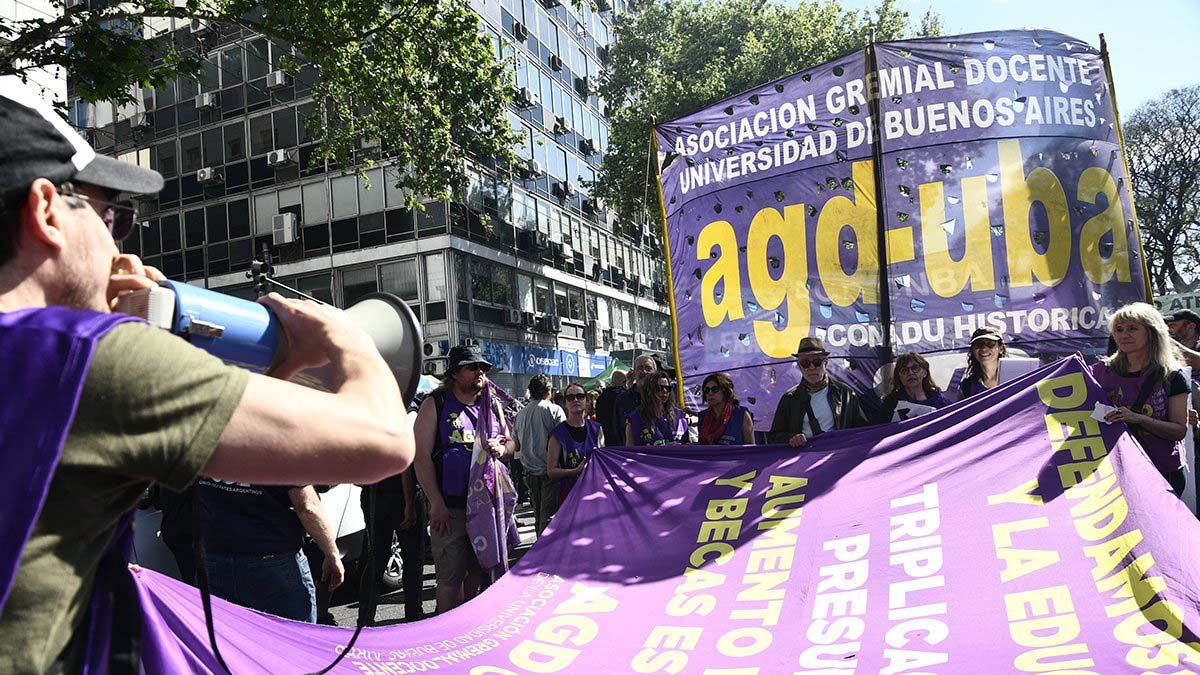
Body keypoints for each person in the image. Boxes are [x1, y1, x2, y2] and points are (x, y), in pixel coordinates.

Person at [0, 78, 414, 673]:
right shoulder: (84, 361)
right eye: (112, 217)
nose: (122, 248)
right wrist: (348, 339)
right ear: (46, 212)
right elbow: (385, 440)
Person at [412, 344, 515, 614]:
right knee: (449, 580)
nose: (480, 372)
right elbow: (420, 456)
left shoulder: (491, 402)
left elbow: (511, 442)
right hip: (450, 508)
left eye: (482, 367)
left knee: (477, 574)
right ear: (456, 373)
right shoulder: (436, 403)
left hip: (486, 507)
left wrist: (503, 448)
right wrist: (435, 503)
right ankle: (445, 637)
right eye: (472, 367)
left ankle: (469, 629)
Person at [196, 480, 343, 623]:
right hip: (273, 560)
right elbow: (307, 507)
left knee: (228, 641)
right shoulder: (283, 454)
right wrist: (332, 554)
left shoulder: (202, 453)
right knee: (293, 638)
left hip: (213, 557)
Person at [1091, 303, 1190, 495]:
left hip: (1162, 472)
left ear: (1152, 332)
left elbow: (1179, 431)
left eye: (1132, 328)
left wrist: (1138, 419)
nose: (1124, 334)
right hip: (1116, 472)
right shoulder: (1100, 372)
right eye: (1118, 329)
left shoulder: (1171, 376)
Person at [767, 337, 867, 446]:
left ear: (826, 363)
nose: (811, 367)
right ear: (799, 366)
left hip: (836, 456)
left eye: (817, 362)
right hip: (804, 458)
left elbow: (862, 431)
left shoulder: (846, 394)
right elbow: (774, 437)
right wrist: (791, 438)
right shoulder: (789, 398)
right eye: (805, 363)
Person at [511, 373, 565, 536]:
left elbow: (516, 444)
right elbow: (564, 438)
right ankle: (544, 551)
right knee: (548, 515)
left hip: (529, 470)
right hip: (550, 470)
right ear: (548, 390)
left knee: (538, 513)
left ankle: (538, 547)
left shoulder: (520, 414)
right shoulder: (554, 410)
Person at [548, 383, 605, 506]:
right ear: (565, 403)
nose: (575, 400)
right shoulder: (557, 434)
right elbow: (551, 471)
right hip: (570, 495)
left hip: (595, 492)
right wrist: (574, 471)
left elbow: (603, 461)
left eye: (580, 396)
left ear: (586, 401)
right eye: (570, 397)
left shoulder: (596, 429)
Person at [877, 352, 953, 423]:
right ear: (899, 376)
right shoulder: (891, 402)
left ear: (925, 373)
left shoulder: (940, 401)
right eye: (904, 370)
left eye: (915, 368)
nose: (910, 373)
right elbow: (880, 429)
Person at [625, 371, 689, 446]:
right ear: (649, 391)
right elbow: (629, 451)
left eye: (667, 388)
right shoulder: (635, 419)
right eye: (659, 388)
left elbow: (687, 444)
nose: (664, 391)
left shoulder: (679, 415)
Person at [697, 372, 755, 445]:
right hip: (710, 456)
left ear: (725, 391)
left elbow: (751, 448)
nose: (710, 393)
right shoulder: (703, 416)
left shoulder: (741, 414)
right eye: (707, 390)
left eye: (715, 389)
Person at [612, 356, 658, 439]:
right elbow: (618, 429)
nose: (644, 372)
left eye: (648, 368)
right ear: (634, 372)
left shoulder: (661, 396)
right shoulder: (623, 399)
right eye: (640, 368)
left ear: (655, 372)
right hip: (632, 450)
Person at [957, 327, 1007, 399]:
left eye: (990, 344)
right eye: (979, 344)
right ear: (973, 350)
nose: (984, 349)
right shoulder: (966, 387)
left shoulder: (1017, 377)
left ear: (1001, 348)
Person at [596, 370, 627, 446]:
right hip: (624, 440)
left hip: (607, 440)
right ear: (624, 382)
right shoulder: (625, 397)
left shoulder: (601, 398)